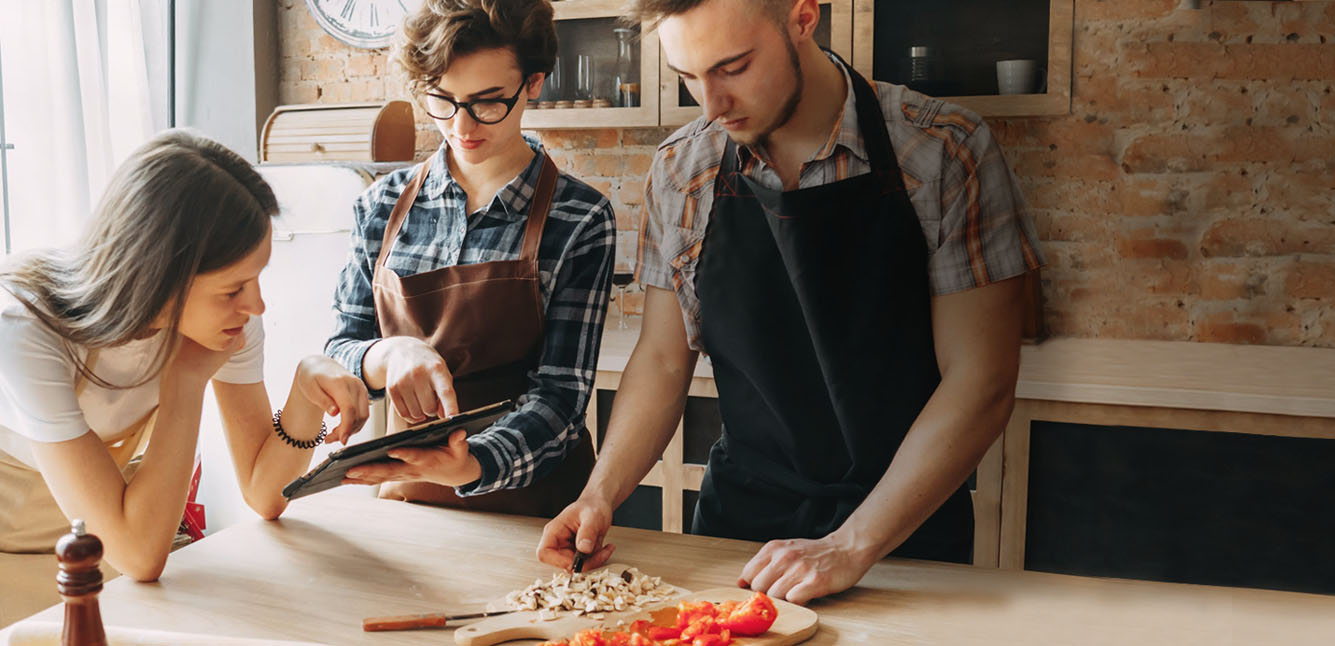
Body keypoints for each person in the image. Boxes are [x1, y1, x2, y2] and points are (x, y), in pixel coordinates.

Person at [538, 0, 1045, 605]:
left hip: (898, 538)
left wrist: (852, 545)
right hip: (738, 536)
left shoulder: (944, 152)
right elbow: (664, 360)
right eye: (687, 76)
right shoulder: (682, 168)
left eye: (734, 67)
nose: (711, 104)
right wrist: (601, 493)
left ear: (803, 17)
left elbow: (981, 381)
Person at [0, 130, 370, 625]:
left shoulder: (224, 319)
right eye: (234, 288)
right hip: (18, 556)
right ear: (157, 275)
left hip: (107, 543)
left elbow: (265, 493)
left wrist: (304, 391)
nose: (256, 305)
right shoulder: (25, 328)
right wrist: (186, 380)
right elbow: (138, 554)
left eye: (257, 278)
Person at [325, 0, 616, 516]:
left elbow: (561, 399)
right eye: (442, 100)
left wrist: (471, 463)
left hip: (539, 511)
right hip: (410, 505)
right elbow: (340, 347)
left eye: (487, 101)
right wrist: (387, 355)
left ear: (533, 83)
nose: (462, 125)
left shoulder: (580, 218)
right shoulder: (381, 205)